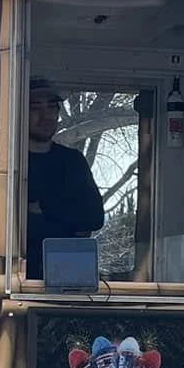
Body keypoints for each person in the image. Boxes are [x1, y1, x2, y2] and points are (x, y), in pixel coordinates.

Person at [24, 78, 106, 278]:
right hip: (19, 277)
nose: (45, 116)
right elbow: (15, 227)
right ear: (20, 114)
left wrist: (42, 209)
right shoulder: (10, 163)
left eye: (52, 107)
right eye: (35, 108)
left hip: (68, 276)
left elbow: (93, 218)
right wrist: (68, 222)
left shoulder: (73, 161)